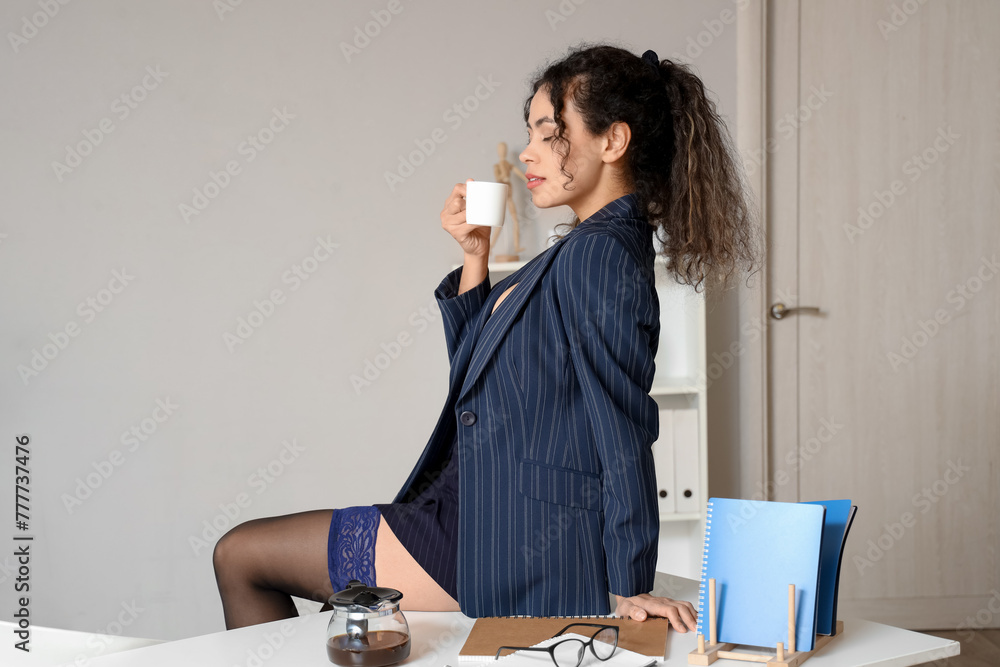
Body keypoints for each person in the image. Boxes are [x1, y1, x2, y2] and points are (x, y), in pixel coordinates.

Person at [212, 42, 761, 633]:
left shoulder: (598, 255)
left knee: (241, 555)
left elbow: (621, 424)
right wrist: (475, 257)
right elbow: (481, 383)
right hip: (471, 510)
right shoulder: (580, 249)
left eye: (550, 132)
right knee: (249, 558)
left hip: (505, 537)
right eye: (531, 132)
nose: (529, 151)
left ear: (612, 141)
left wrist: (631, 583)